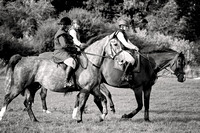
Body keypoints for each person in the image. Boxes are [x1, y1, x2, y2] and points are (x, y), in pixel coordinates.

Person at [53, 17, 82, 87]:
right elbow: (64, 45)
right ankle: (66, 81)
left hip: (64, 51)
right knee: (71, 61)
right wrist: (74, 49)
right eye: (69, 25)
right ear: (65, 25)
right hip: (60, 52)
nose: (70, 27)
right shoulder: (61, 34)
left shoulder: (64, 33)